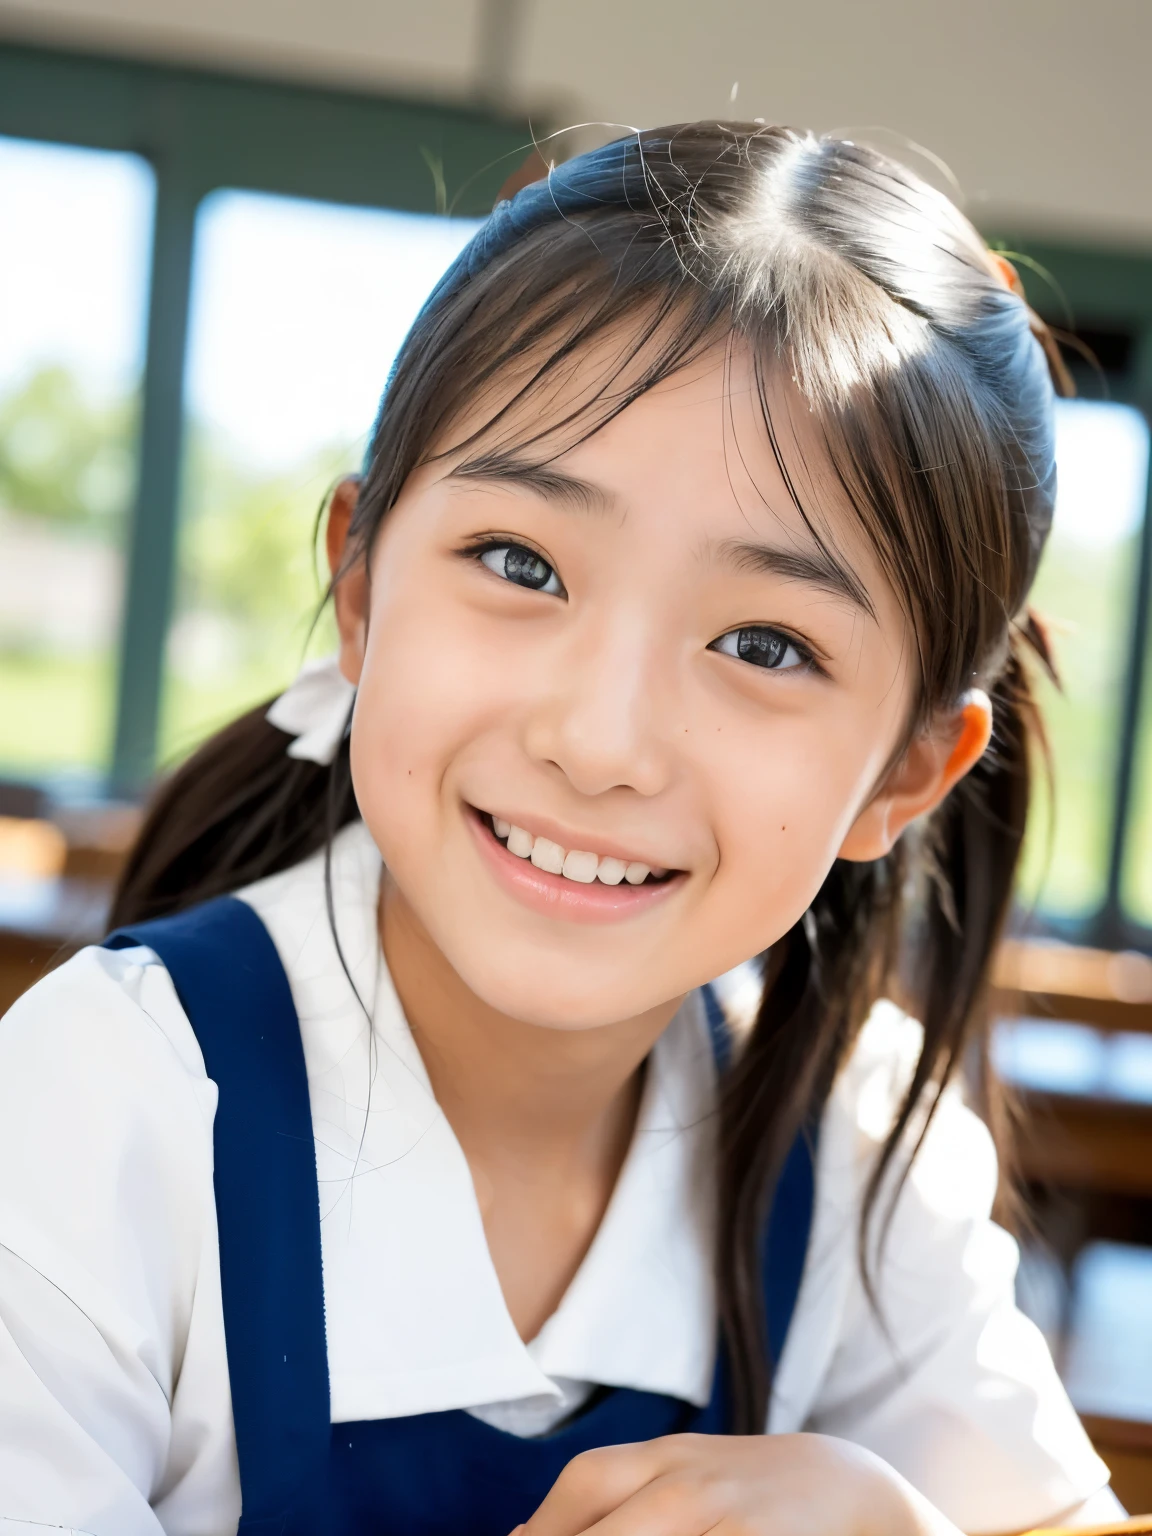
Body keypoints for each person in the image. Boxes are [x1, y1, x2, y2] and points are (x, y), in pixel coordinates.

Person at [0, 123, 1128, 1536]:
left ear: (906, 775)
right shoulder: (105, 1106)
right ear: (362, 591)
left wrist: (896, 1522)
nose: (598, 741)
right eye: (520, 563)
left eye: (766, 644)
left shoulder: (843, 1137)